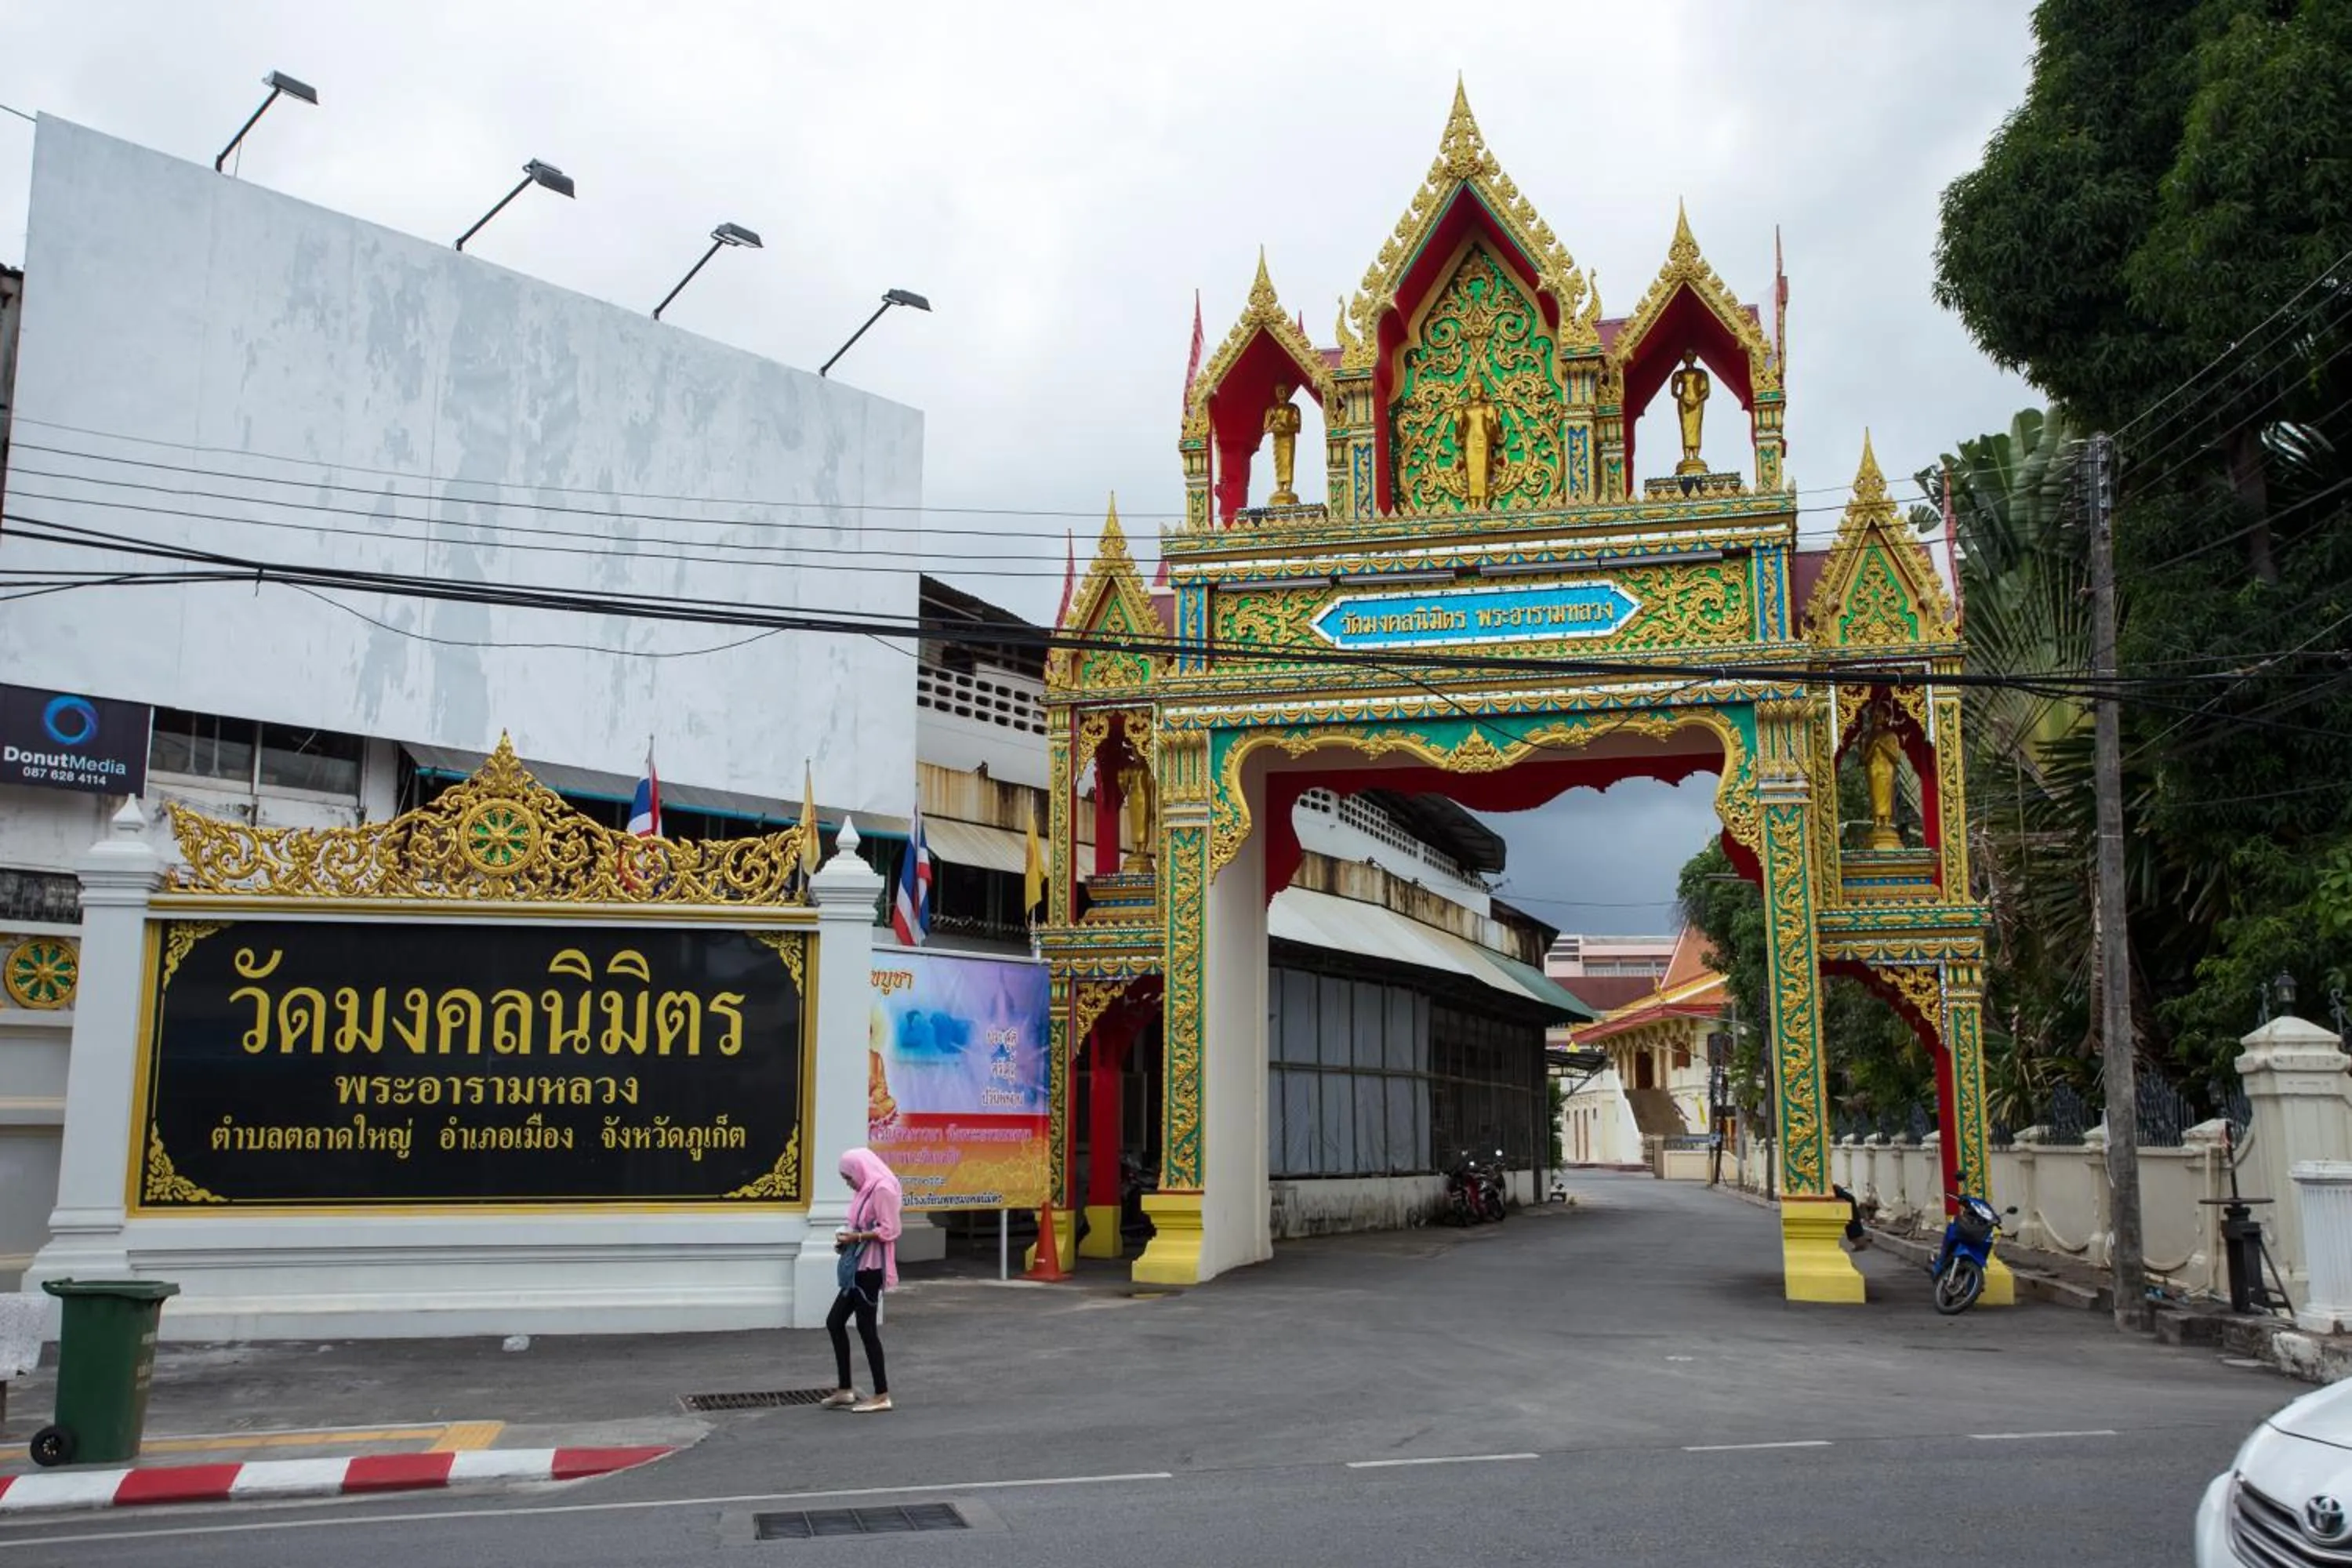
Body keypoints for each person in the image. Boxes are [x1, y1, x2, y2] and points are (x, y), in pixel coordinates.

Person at [822, 1148, 903, 1414]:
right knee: (835, 1322)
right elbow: (858, 1224)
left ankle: (881, 1394)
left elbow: (890, 1229)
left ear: (860, 1170)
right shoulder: (865, 1190)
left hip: (870, 1268)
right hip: (856, 1266)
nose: (848, 1183)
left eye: (849, 1177)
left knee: (867, 1329)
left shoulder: (882, 1189)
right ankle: (845, 1389)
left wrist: (856, 1238)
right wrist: (847, 1240)